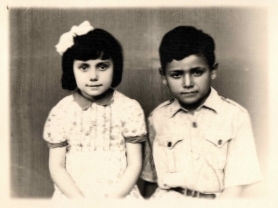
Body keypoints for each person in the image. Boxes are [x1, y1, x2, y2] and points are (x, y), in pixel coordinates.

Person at [141, 26, 263, 199]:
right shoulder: (157, 118)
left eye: (197, 72)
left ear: (213, 70)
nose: (188, 83)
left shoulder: (235, 116)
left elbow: (236, 186)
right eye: (176, 75)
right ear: (163, 76)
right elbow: (151, 180)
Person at [43, 21, 146, 199]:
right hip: (73, 196)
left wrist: (112, 200)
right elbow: (57, 167)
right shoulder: (62, 111)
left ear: (115, 67)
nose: (93, 76)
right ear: (71, 69)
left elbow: (134, 164)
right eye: (84, 67)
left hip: (119, 195)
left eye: (102, 66)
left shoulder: (129, 108)